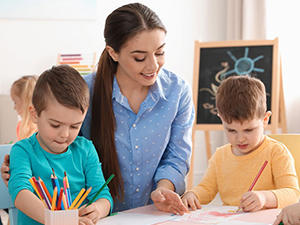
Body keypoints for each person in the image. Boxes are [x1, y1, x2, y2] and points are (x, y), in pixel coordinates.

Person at [1, 3, 194, 215]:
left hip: (151, 213)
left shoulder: (177, 92)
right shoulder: (86, 91)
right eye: (139, 57)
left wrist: (163, 190)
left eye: (160, 53)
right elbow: (60, 145)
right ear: (113, 52)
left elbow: (177, 156)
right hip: (95, 217)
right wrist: (22, 164)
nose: (152, 66)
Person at [8, 65, 113, 225]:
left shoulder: (86, 150)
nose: (65, 134)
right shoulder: (22, 150)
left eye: (74, 126)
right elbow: (20, 193)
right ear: (35, 114)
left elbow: (103, 195)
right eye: (55, 125)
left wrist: (98, 209)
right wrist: (57, 220)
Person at [180, 76, 300, 212]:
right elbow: (206, 189)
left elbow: (292, 194)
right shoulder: (220, 156)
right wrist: (193, 195)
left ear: (265, 119)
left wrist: (265, 198)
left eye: (249, 130)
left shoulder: (276, 152)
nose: (240, 139)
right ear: (221, 120)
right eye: (231, 130)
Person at [10, 75, 38, 141]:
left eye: (15, 103)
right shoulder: (21, 126)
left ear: (25, 103)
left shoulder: (42, 130)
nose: (14, 107)